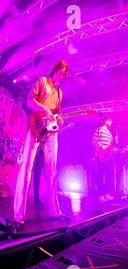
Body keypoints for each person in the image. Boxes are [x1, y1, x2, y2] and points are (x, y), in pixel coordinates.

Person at [13, 60, 71, 230]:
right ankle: (18, 217)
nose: (62, 75)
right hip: (36, 127)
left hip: (51, 132)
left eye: (65, 73)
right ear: (55, 70)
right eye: (61, 72)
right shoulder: (42, 82)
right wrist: (43, 109)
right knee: (26, 170)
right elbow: (29, 100)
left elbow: (57, 114)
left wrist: (59, 119)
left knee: (52, 171)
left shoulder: (60, 92)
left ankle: (55, 212)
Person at [92, 117, 116, 201]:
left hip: (109, 157)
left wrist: (114, 150)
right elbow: (94, 141)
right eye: (110, 120)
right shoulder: (99, 130)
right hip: (101, 156)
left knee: (109, 176)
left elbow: (111, 145)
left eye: (111, 121)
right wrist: (102, 148)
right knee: (100, 176)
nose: (111, 122)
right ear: (105, 121)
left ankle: (107, 194)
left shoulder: (110, 133)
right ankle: (100, 195)